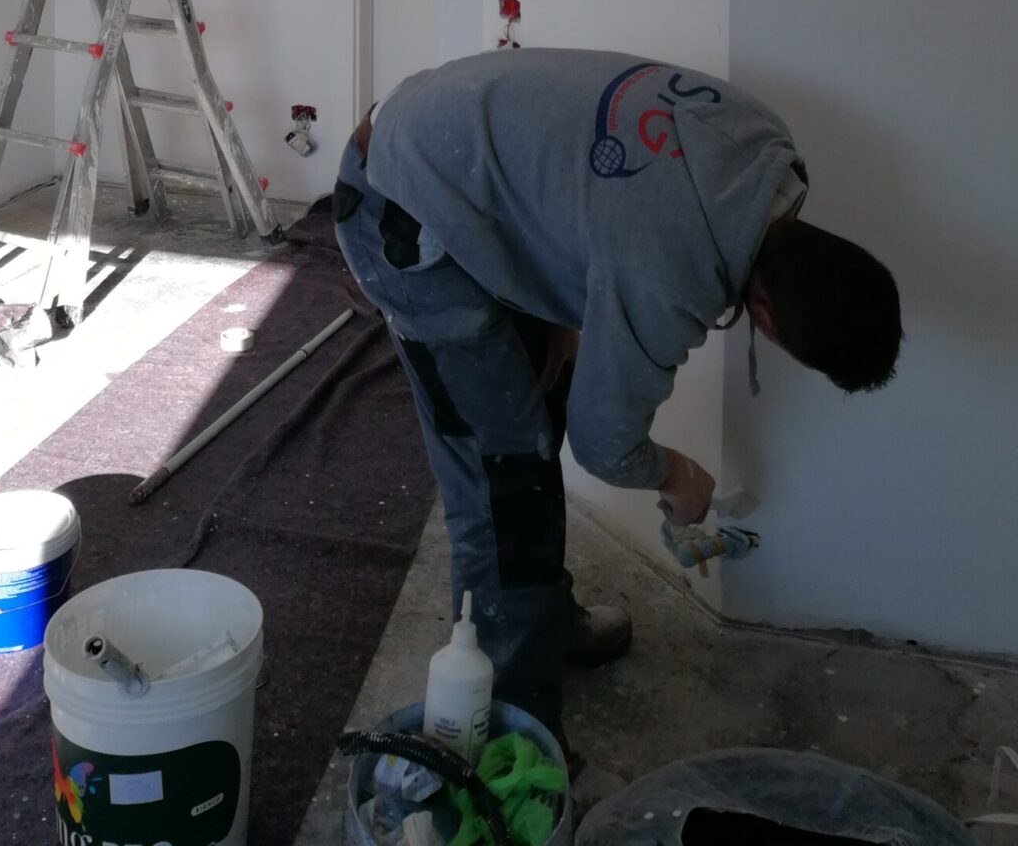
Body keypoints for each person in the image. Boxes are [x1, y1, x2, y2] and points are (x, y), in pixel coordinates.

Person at [333, 47, 902, 754]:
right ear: (767, 315)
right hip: (401, 204)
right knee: (502, 479)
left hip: (458, 156)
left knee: (538, 413)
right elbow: (604, 444)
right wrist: (676, 475)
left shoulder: (763, 150)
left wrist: (564, 314)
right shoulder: (673, 266)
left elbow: (598, 201)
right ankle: (511, 737)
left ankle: (541, 621)